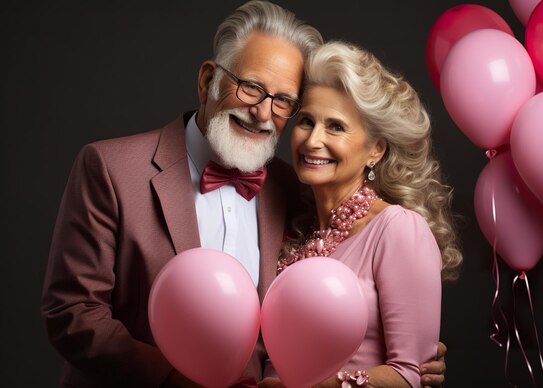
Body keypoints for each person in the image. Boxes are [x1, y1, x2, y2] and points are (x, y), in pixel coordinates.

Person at [40, 1, 448, 387]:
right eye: (251, 87)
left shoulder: (292, 189)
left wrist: (409, 367)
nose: (262, 112)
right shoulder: (110, 167)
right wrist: (169, 380)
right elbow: (72, 312)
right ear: (207, 81)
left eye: (283, 101)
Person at [261, 41, 463, 388]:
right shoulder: (292, 231)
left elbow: (408, 377)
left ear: (376, 149)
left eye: (335, 127)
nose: (312, 140)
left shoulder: (397, 229)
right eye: (306, 121)